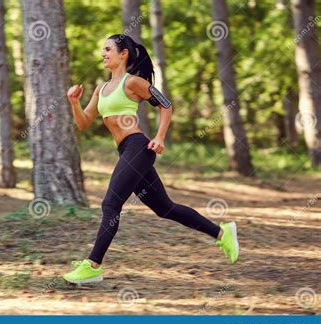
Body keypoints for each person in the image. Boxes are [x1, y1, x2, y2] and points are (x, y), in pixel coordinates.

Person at [63, 34, 239, 285]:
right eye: (102, 49)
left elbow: (166, 105)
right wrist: (73, 102)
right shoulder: (101, 89)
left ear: (123, 53)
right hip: (126, 151)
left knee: (110, 205)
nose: (103, 53)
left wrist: (160, 137)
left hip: (138, 147)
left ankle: (92, 266)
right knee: (164, 207)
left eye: (107, 49)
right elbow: (83, 122)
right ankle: (223, 233)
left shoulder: (133, 82)